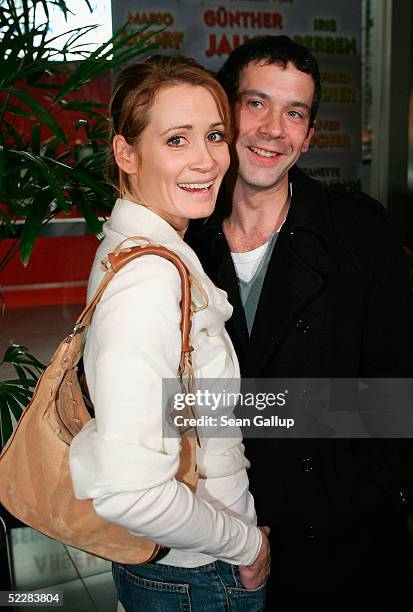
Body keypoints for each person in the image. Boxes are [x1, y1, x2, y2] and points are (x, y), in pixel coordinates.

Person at [187, 36, 413, 606]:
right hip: (214, 540)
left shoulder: (360, 238)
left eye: (294, 113)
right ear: (222, 110)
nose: (272, 129)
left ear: (309, 136)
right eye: (255, 103)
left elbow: (391, 399)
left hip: (338, 542)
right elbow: (144, 403)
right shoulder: (178, 240)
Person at [69, 55, 270, 612]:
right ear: (126, 153)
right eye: (177, 140)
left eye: (214, 135)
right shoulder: (149, 280)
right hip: (198, 574)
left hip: (190, 563)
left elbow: (183, 409)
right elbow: (129, 492)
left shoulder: (156, 251)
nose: (206, 160)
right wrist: (246, 544)